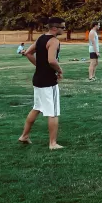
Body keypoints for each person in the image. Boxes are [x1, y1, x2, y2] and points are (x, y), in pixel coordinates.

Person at [18, 17, 66, 149]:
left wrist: (40, 66)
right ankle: (53, 143)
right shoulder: (54, 41)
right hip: (48, 81)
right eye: (63, 27)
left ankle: (24, 136)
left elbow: (28, 53)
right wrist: (60, 70)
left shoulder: (40, 38)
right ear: (55, 28)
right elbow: (51, 60)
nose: (64, 30)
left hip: (38, 79)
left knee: (37, 108)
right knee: (53, 112)